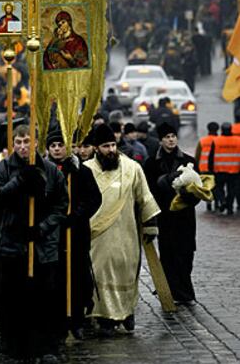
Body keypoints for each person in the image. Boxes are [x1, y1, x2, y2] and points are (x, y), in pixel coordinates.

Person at [0, 124, 68, 361]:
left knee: (45, 298)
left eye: (27, 141)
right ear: (13, 144)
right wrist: (20, 181)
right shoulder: (3, 168)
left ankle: (46, 347)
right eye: (18, 142)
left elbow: (61, 205)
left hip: (43, 247)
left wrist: (42, 228)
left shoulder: (51, 170)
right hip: (13, 245)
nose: (23, 146)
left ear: (35, 142)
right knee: (14, 299)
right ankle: (16, 346)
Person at [84, 124, 160, 336]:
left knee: (126, 273)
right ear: (96, 148)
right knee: (99, 274)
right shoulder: (86, 169)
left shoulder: (132, 168)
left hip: (126, 233)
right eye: (105, 146)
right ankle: (104, 317)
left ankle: (126, 312)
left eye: (113, 145)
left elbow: (144, 197)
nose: (110, 150)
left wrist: (150, 225)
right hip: (96, 235)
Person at [46, 129, 101, 340]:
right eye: (53, 146)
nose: (57, 149)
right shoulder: (44, 171)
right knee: (55, 279)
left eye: (61, 145)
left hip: (76, 233)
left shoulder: (81, 172)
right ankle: (58, 322)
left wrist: (77, 215)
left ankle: (76, 320)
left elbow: (94, 199)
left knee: (78, 277)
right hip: (53, 234)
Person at [144, 122, 199, 305]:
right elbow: (149, 190)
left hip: (185, 215)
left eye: (173, 136)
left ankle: (184, 290)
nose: (171, 140)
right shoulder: (152, 163)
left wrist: (187, 196)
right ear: (161, 140)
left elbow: (199, 189)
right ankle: (173, 292)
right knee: (168, 254)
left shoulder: (188, 161)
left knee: (186, 253)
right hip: (165, 216)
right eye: (167, 137)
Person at [208, 122, 240, 215]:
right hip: (234, 170)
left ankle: (222, 201)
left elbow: (211, 156)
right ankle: (230, 208)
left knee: (218, 188)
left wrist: (211, 169)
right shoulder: (238, 140)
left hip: (219, 170)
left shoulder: (217, 140)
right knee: (231, 191)